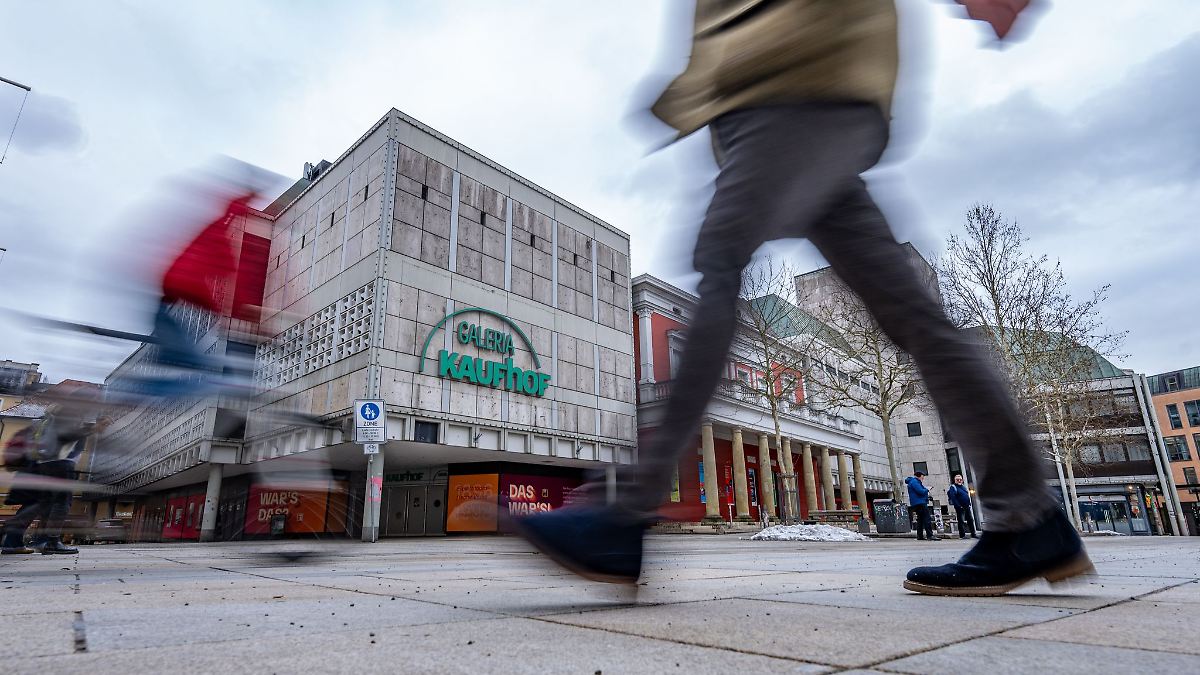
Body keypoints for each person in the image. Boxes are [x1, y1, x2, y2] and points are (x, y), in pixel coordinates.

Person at [513, 0, 1094, 597]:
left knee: (720, 269)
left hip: (790, 88)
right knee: (915, 318)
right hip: (807, 90)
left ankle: (623, 515)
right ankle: (1027, 518)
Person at [1, 396, 109, 555]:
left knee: (39, 504)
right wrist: (93, 428)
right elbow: (66, 435)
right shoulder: (67, 416)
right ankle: (47, 541)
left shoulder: (46, 419)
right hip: (56, 463)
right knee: (59, 502)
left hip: (36, 465)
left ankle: (17, 541)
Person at [906, 471, 936, 541]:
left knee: (920, 520)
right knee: (927, 519)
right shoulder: (915, 482)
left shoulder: (912, 482)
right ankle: (930, 535)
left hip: (916, 503)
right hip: (920, 503)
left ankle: (920, 536)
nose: (923, 478)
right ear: (919, 476)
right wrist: (927, 489)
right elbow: (920, 491)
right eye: (922, 477)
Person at [948, 474, 977, 538]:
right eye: (957, 479)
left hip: (967, 506)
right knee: (961, 521)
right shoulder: (953, 487)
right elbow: (953, 498)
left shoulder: (963, 487)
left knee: (970, 520)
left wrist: (969, 504)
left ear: (962, 480)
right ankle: (962, 535)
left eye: (960, 479)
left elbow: (966, 495)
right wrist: (958, 506)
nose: (959, 480)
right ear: (955, 480)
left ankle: (973, 534)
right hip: (960, 507)